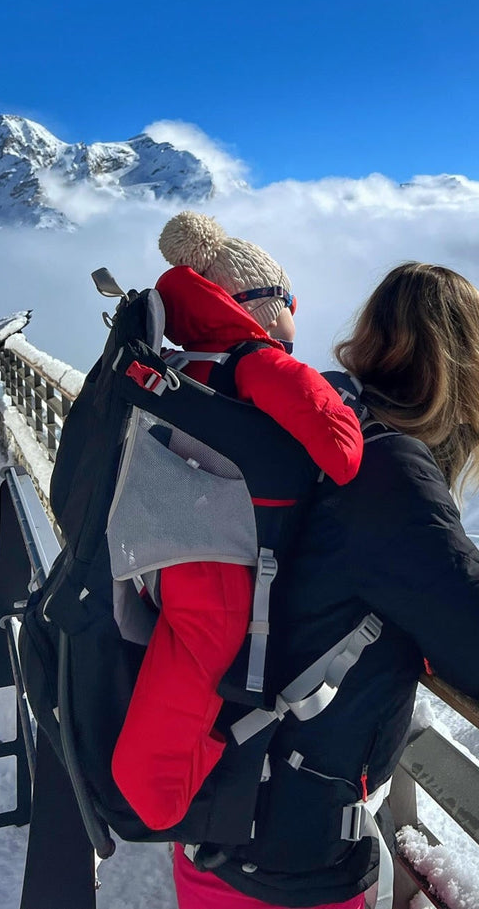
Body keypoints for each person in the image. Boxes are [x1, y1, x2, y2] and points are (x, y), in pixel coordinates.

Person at [173, 261, 479, 909]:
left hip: (211, 802)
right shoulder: (387, 467)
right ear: (468, 375)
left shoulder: (307, 421)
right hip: (289, 855)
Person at [111, 212, 366, 835]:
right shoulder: (258, 365)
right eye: (291, 302)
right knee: (152, 787)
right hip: (218, 589)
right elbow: (343, 453)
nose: (296, 318)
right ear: (262, 304)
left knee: (162, 710)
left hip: (163, 564)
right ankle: (210, 789)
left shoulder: (182, 364)